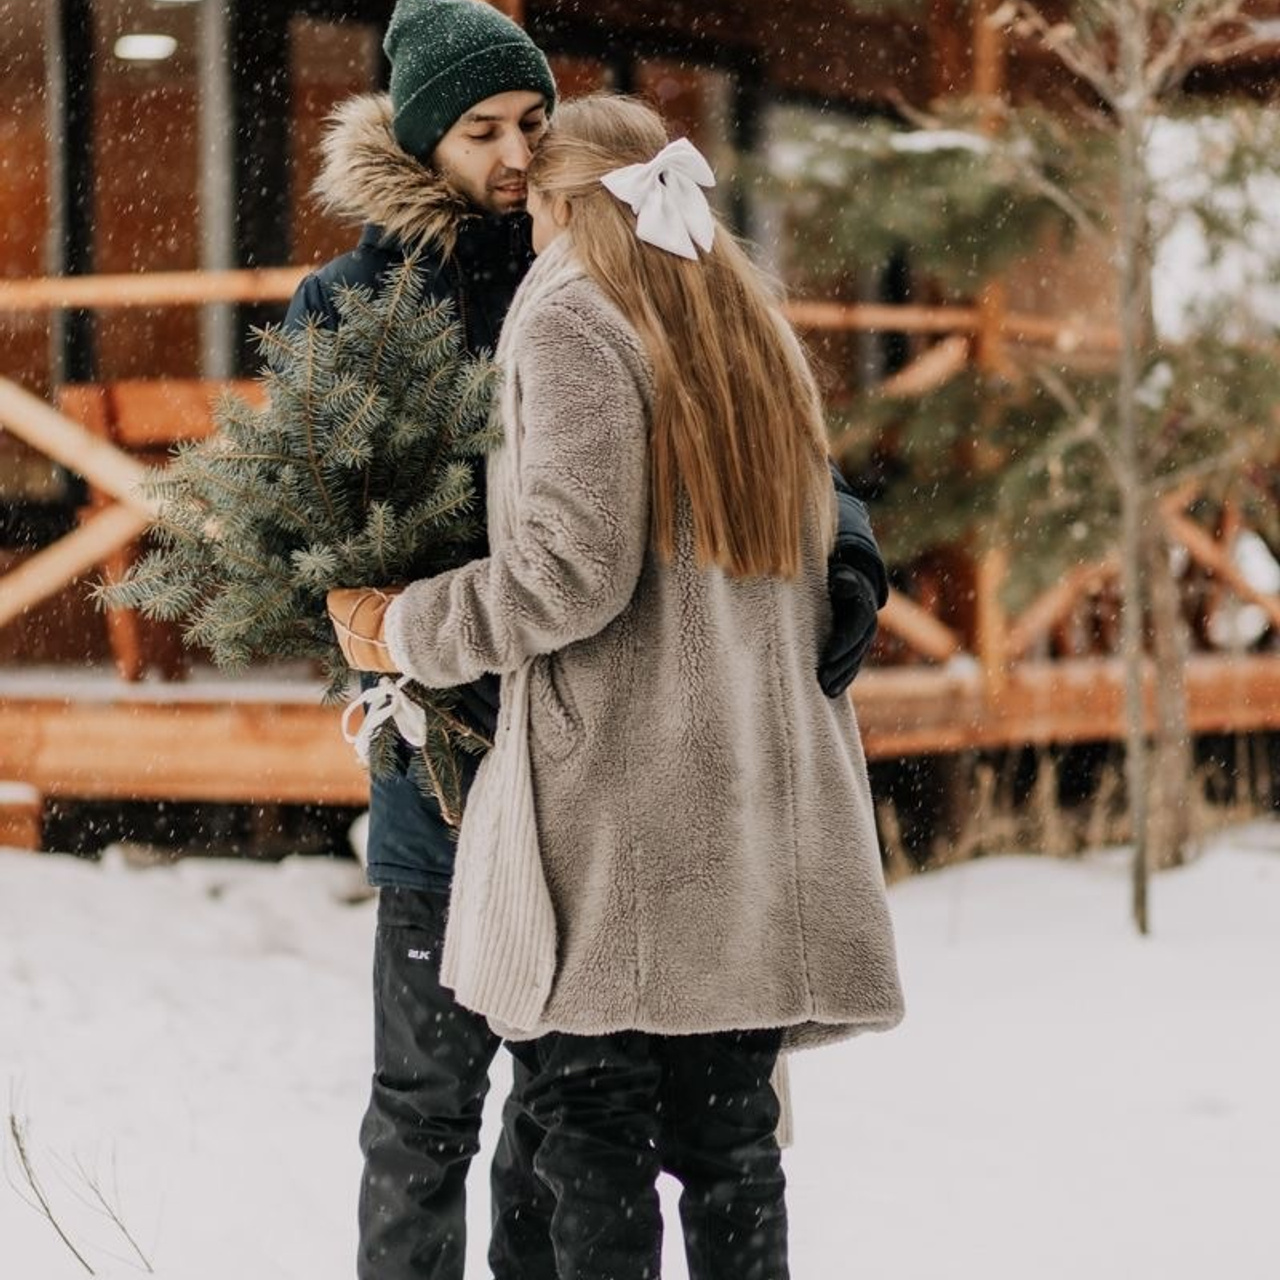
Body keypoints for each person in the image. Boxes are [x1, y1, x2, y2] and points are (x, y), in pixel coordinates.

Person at [327, 93, 905, 1280]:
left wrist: (404, 627)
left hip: (622, 807)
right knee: (731, 1138)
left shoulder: (572, 321)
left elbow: (566, 573)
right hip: (751, 793)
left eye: (538, 196)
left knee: (592, 1127)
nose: (525, 220)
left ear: (563, 204)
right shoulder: (737, 311)